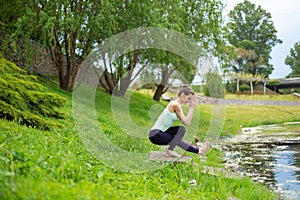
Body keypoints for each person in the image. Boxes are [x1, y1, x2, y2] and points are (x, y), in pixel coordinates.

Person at [149, 86, 210, 157]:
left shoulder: (177, 105)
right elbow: (186, 122)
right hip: (155, 134)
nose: (188, 101)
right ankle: (199, 151)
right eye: (188, 98)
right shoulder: (175, 105)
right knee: (176, 140)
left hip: (162, 132)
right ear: (183, 95)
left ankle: (170, 151)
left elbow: (188, 122)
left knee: (181, 129)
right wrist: (192, 107)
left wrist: (192, 108)